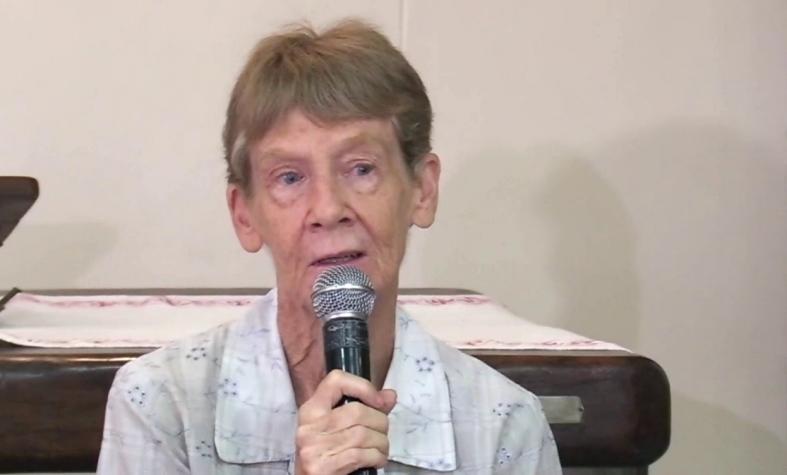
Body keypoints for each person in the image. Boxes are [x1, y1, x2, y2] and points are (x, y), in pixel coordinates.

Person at [96, 17, 562, 475]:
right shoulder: (162, 404)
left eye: (361, 169)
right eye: (290, 178)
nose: (328, 208)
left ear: (422, 189)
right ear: (244, 215)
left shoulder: (503, 426)